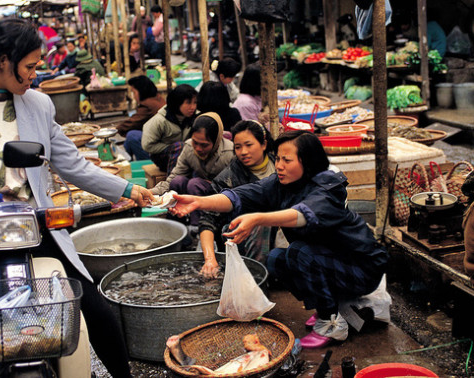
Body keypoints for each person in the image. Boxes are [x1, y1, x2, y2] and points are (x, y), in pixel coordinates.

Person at [0, 18, 153, 378]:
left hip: (35, 228)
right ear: (3, 61)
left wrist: (125, 188)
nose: (34, 75)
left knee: (96, 312)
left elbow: (71, 164)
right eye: (29, 66)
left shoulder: (39, 104)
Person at [169, 130, 388, 349]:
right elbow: (239, 196)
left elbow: (303, 214)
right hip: (330, 261)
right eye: (279, 159)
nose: (280, 165)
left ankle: (332, 324)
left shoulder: (328, 187)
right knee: (276, 259)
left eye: (287, 160)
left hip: (362, 268)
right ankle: (327, 308)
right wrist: (198, 201)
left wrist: (258, 219)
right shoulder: (281, 183)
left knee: (299, 253)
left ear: (308, 161)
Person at [198, 120, 275, 278]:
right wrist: (210, 260)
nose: (243, 152)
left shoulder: (280, 166)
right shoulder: (227, 179)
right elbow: (207, 221)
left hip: (279, 236)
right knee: (259, 222)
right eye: (238, 147)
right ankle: (256, 277)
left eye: (248, 145)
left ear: (264, 144)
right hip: (243, 239)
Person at [151, 113, 234, 232]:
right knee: (177, 181)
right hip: (196, 192)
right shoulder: (189, 147)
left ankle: (198, 228)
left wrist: (212, 185)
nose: (198, 148)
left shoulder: (229, 153)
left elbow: (235, 189)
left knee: (195, 184)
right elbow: (173, 177)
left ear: (216, 140)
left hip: (219, 198)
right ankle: (177, 226)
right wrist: (149, 193)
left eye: (204, 145)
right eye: (195, 142)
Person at [142, 84, 198, 173]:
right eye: (188, 103)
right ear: (177, 103)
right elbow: (147, 145)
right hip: (163, 157)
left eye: (195, 102)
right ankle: (172, 181)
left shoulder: (195, 117)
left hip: (185, 154)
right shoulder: (160, 121)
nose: (193, 107)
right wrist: (172, 147)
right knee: (180, 146)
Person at [117, 76, 165, 160]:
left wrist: (114, 130)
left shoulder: (148, 105)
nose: (134, 96)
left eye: (134, 92)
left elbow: (131, 123)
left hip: (160, 145)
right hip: (161, 139)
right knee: (129, 141)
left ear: (141, 91)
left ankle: (145, 163)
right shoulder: (158, 98)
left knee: (132, 136)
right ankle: (127, 161)